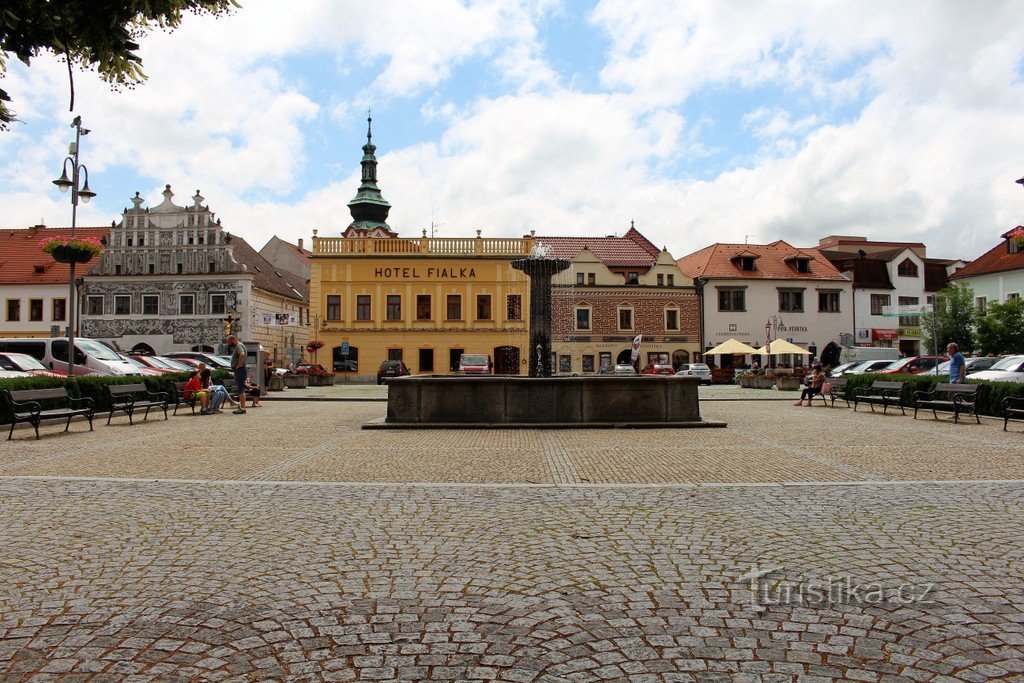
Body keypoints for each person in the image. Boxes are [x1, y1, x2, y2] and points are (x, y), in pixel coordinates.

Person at [228, 335, 248, 414]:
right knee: (241, 389)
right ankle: (242, 407)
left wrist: (239, 364)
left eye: (229, 342)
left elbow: (242, 354)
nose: (229, 344)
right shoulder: (240, 345)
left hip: (240, 370)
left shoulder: (239, 346)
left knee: (240, 389)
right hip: (240, 370)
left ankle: (242, 408)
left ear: (232, 340)